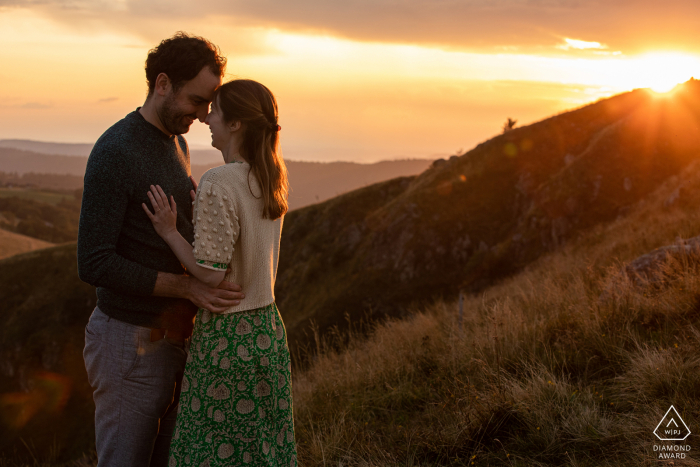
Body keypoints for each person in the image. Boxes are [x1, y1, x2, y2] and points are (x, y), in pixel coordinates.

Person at [78, 32, 245, 467]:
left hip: (175, 341)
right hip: (127, 342)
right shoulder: (115, 151)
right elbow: (93, 261)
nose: (204, 115)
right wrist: (187, 288)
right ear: (163, 84)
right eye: (196, 101)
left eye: (210, 104)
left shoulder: (179, 143)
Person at [141, 79, 297, 466]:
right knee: (261, 449)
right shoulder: (270, 176)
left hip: (229, 339)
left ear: (237, 124)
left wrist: (169, 231)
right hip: (268, 333)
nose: (206, 118)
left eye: (216, 111)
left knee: (212, 451)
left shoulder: (218, 181)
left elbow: (210, 275)